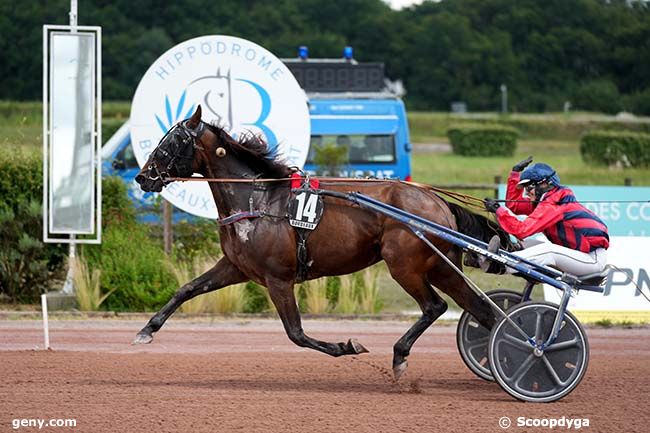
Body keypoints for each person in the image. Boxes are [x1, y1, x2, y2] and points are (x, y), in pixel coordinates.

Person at [483, 157, 609, 277]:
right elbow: (514, 205)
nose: (526, 193)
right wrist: (515, 174)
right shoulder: (545, 201)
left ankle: (500, 265)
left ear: (544, 185)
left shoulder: (554, 204)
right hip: (578, 255)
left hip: (591, 259)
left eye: (529, 188)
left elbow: (521, 231)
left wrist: (498, 210)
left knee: (549, 251)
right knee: (525, 245)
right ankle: (486, 258)